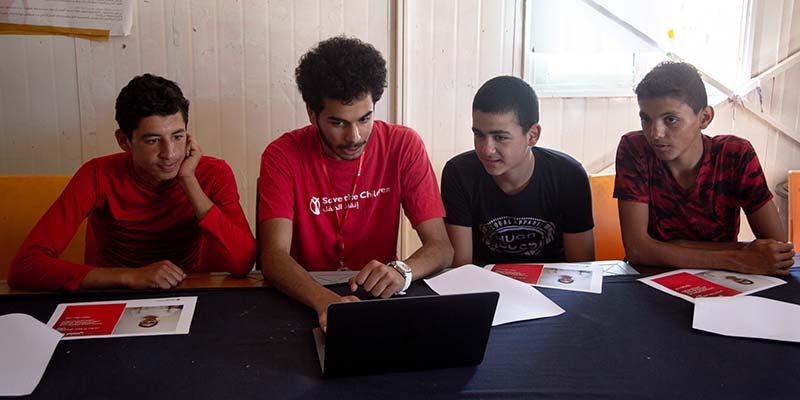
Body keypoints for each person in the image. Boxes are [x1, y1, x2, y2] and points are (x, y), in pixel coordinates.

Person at [258, 36, 453, 329]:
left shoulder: (403, 144)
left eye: (364, 119)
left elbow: (441, 247)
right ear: (313, 114)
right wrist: (324, 300)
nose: (355, 137)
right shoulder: (282, 154)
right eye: (338, 123)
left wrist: (402, 271)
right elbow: (273, 256)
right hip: (304, 292)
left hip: (377, 291)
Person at [9, 74, 256, 291]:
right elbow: (25, 267)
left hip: (189, 289)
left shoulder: (213, 173)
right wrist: (130, 276)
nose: (169, 153)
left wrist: (189, 180)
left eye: (177, 137)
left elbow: (243, 261)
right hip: (113, 291)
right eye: (152, 140)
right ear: (124, 141)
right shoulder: (97, 174)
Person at [614, 61, 795, 275]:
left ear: (705, 117)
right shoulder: (635, 149)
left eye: (670, 119)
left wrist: (676, 247)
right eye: (646, 119)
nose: (655, 134)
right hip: (649, 283)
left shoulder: (734, 154)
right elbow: (637, 250)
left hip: (722, 282)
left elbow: (777, 249)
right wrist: (739, 255)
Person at [441, 76, 595, 267]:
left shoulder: (569, 176)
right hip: (484, 288)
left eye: (500, 137)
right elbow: (460, 270)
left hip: (553, 289)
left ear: (532, 135)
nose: (487, 149)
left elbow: (581, 269)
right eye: (479, 134)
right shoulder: (458, 174)